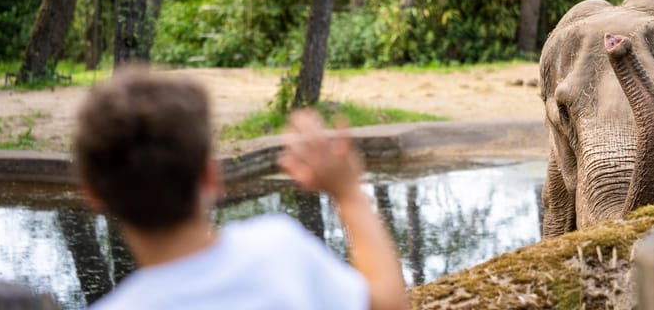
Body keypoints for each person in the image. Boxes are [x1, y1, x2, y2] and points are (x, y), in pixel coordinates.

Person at [75, 67, 408, 310]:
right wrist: (348, 193)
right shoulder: (279, 250)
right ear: (210, 176)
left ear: (93, 195)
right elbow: (388, 304)